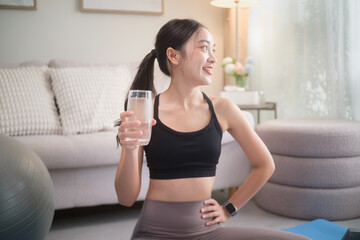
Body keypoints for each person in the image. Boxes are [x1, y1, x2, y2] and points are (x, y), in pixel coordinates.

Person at [115, 19, 310, 240]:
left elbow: (265, 165)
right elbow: (126, 198)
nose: (213, 58)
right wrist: (130, 148)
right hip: (155, 232)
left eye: (213, 49)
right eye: (204, 47)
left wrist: (229, 208)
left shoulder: (223, 109)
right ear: (174, 56)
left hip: (207, 232)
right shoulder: (146, 110)